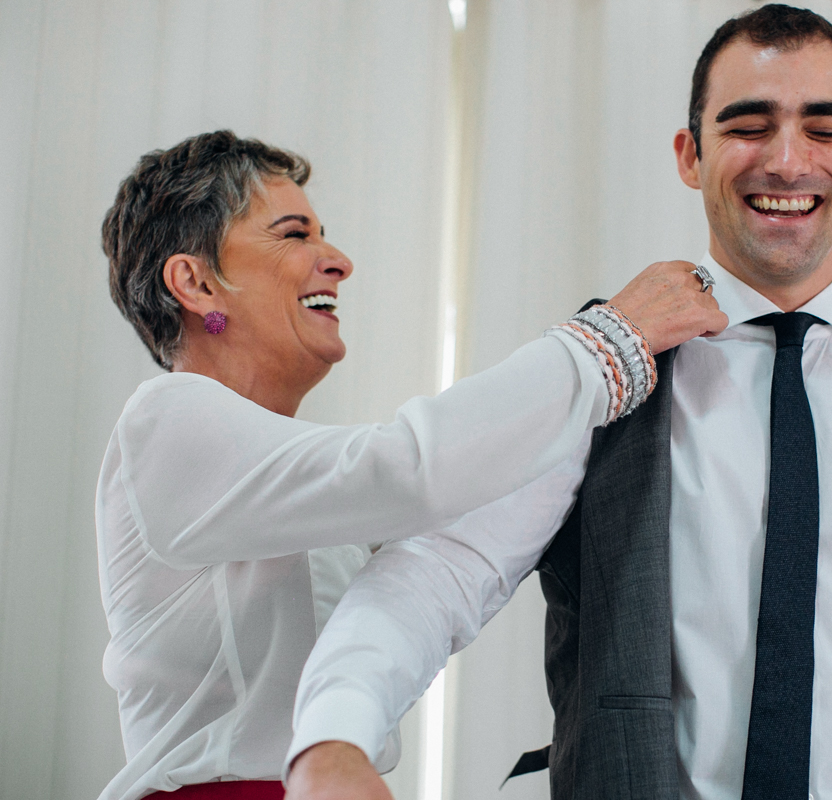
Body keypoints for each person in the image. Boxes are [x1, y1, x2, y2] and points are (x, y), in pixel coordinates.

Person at [284, 6, 832, 800]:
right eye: (748, 125)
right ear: (689, 153)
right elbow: (440, 571)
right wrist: (334, 737)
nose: (788, 160)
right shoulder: (604, 371)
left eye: (824, 129)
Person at [95, 130, 725, 800]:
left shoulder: (299, 484)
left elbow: (441, 541)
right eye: (293, 234)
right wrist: (610, 339)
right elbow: (411, 469)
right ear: (194, 282)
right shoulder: (162, 421)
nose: (337, 261)